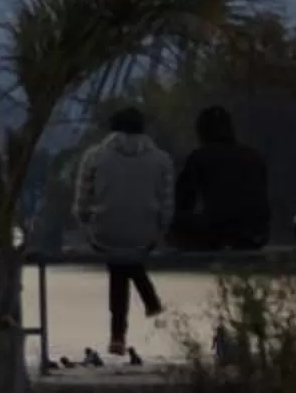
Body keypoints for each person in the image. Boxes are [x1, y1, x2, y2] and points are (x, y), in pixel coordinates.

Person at [74, 105, 172, 354]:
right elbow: (167, 204)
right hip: (146, 234)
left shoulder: (94, 156)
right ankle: (147, 303)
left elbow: (82, 203)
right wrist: (160, 230)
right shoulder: (161, 159)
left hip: (104, 233)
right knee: (127, 256)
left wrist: (85, 224)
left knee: (117, 259)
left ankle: (118, 334)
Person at [170, 104, 272, 251]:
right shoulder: (253, 156)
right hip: (257, 233)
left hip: (218, 231)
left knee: (175, 220)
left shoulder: (200, 157)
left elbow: (183, 201)